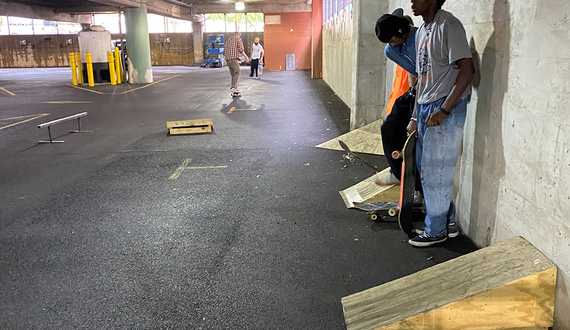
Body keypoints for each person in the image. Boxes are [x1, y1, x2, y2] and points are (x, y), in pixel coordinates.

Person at [407, 0, 475, 247]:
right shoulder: (422, 30)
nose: (412, 1)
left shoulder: (449, 25)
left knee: (436, 173)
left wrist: (445, 109)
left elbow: (467, 70)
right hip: (426, 108)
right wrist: (416, 116)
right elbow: (422, 80)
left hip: (444, 108)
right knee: (430, 171)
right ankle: (448, 221)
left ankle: (436, 231)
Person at [374, 9, 419, 185]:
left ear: (400, 30)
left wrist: (415, 114)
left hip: (433, 89)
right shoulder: (390, 51)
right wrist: (412, 91)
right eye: (389, 42)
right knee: (389, 128)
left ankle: (418, 187)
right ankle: (397, 173)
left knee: (414, 135)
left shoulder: (420, 38)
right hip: (416, 89)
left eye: (393, 39)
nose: (392, 44)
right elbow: (412, 71)